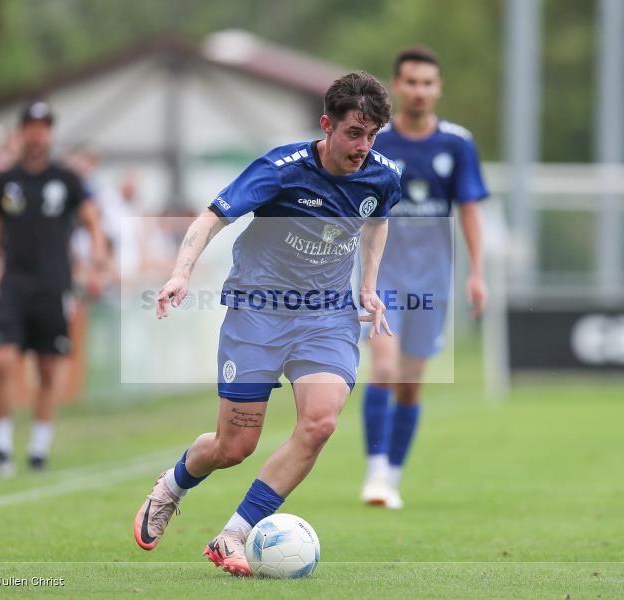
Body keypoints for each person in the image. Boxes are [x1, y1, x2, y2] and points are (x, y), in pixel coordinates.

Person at [133, 72, 401, 577]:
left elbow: (378, 219)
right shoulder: (282, 169)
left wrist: (368, 286)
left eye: (372, 135)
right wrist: (180, 272)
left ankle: (233, 534)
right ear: (326, 125)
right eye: (353, 133)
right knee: (234, 447)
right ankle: (172, 485)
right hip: (258, 311)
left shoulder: (383, 175)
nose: (363, 146)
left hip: (325, 316)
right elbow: (212, 217)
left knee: (320, 422)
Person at [360, 47, 489, 509]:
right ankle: (374, 474)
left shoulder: (456, 144)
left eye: (427, 83)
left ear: (438, 88)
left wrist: (477, 273)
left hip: (432, 283)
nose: (419, 91)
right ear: (397, 86)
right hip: (384, 280)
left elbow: (470, 210)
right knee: (385, 369)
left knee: (411, 384)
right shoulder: (376, 144)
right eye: (411, 82)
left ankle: (392, 476)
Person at [0, 101, 108, 474]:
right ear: (22, 131)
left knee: (47, 370)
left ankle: (38, 450)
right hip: (13, 282)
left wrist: (98, 261)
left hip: (54, 285)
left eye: (43, 126)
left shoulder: (66, 178)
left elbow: (93, 221)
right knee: (2, 361)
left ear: (50, 133)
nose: (37, 133)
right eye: (31, 125)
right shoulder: (5, 180)